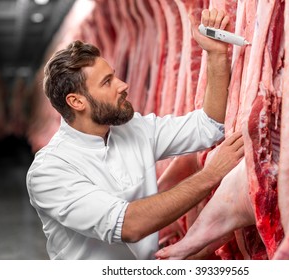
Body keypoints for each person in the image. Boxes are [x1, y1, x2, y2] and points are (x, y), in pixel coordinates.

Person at [26, 9, 244, 260]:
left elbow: (208, 126)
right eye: (107, 82)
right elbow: (128, 226)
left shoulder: (133, 130)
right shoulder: (50, 171)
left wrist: (216, 54)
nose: (123, 85)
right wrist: (211, 175)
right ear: (76, 101)